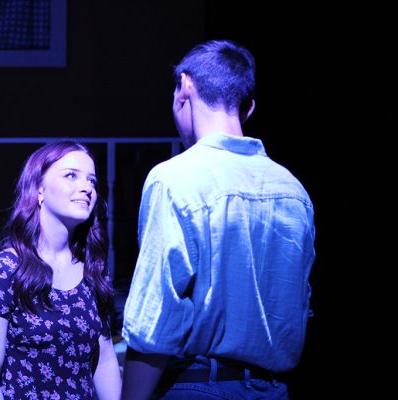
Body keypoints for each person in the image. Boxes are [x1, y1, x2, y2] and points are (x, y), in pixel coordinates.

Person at [120, 39, 316, 400]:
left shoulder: (175, 178)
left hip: (197, 386)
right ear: (249, 108)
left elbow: (156, 321)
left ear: (185, 87)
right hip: (274, 389)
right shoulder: (293, 191)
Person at [0, 141, 122, 400]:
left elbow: (104, 361)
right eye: (71, 175)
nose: (86, 188)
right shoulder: (5, 270)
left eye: (92, 181)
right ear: (39, 189)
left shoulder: (92, 271)